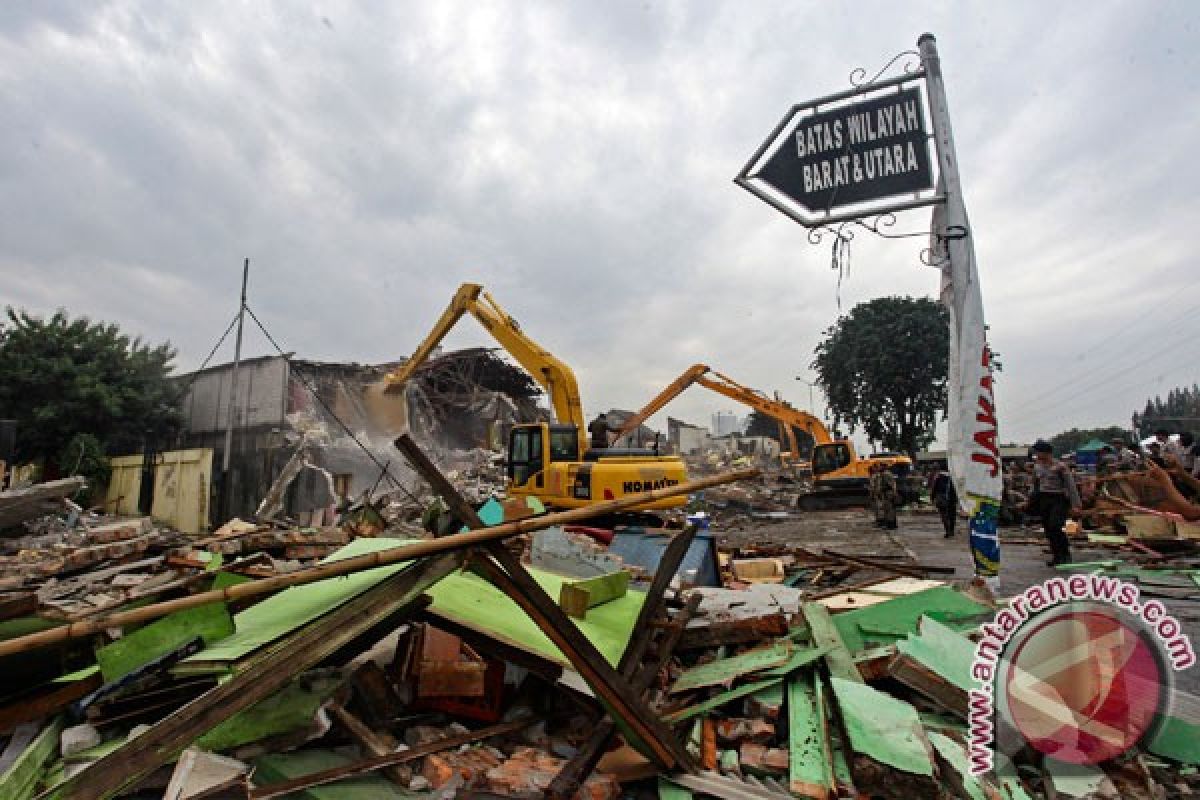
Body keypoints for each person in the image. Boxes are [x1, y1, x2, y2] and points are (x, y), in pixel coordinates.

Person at [1025, 440, 1082, 566]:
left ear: (1046, 453)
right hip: (1044, 499)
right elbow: (1035, 485)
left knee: (1056, 525)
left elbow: (1071, 486)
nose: (1037, 455)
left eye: (1039, 452)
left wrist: (1076, 505)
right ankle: (1056, 556)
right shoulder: (1037, 467)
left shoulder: (1060, 466)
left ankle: (1065, 554)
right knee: (1048, 528)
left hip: (1058, 499)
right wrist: (1028, 499)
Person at [868, 462, 899, 530]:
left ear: (884, 467)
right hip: (888, 493)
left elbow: (888, 485)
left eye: (880, 466)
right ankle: (891, 524)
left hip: (888, 493)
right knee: (888, 509)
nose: (879, 468)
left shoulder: (885, 474)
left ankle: (890, 525)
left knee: (889, 509)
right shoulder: (886, 474)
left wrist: (880, 491)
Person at [931, 470, 957, 538]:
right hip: (952, 499)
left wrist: (932, 498)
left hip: (941, 500)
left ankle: (947, 531)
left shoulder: (939, 478)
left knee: (944, 515)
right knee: (952, 515)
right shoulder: (954, 477)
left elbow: (934, 489)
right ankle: (952, 531)